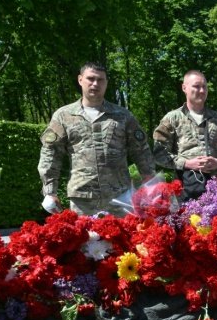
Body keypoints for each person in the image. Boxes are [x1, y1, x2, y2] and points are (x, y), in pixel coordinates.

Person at [38, 62, 155, 217]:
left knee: (122, 240)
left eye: (100, 80)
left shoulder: (122, 116)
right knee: (86, 240)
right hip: (82, 199)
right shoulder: (64, 116)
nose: (95, 84)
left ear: (106, 83)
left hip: (120, 197)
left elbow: (141, 150)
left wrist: (151, 183)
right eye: (90, 79)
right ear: (80, 80)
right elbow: (51, 154)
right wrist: (50, 191)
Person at [153, 70, 217, 200]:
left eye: (204, 86)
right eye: (196, 86)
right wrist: (186, 163)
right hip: (183, 190)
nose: (201, 90)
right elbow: (158, 154)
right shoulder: (172, 119)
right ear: (184, 88)